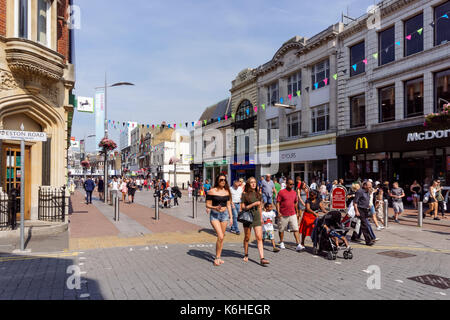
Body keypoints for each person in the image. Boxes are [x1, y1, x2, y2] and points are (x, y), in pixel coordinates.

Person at [241, 177, 269, 265]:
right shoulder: (244, 194)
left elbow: (260, 207)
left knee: (259, 238)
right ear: (248, 184)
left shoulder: (258, 194)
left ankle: (262, 258)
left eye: (255, 182)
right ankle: (246, 254)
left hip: (256, 217)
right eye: (251, 182)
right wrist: (253, 204)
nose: (253, 184)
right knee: (247, 238)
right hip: (247, 217)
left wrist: (261, 218)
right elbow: (243, 207)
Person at [206, 174, 233, 266]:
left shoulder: (227, 192)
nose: (223, 181)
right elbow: (207, 205)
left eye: (224, 180)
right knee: (220, 236)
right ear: (217, 180)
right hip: (215, 215)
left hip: (224, 215)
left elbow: (228, 205)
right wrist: (215, 207)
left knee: (221, 238)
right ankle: (217, 258)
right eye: (221, 180)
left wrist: (231, 217)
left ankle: (218, 256)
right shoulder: (211, 191)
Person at [276, 178, 303, 252]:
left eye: (293, 184)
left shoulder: (294, 193)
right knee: (281, 229)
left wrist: (297, 212)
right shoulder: (281, 192)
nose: (292, 185)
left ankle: (298, 244)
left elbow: (295, 203)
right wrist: (278, 212)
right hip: (283, 214)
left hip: (292, 213)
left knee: (296, 229)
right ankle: (281, 242)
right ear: (286, 184)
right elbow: (278, 202)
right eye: (290, 184)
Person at [352, 181, 376, 246]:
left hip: (365, 210)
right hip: (360, 209)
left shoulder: (368, 191)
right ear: (365, 186)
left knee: (361, 224)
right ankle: (368, 241)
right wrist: (356, 211)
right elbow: (355, 202)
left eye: (371, 186)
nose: (370, 187)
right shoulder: (359, 191)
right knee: (365, 225)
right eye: (369, 186)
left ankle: (354, 236)